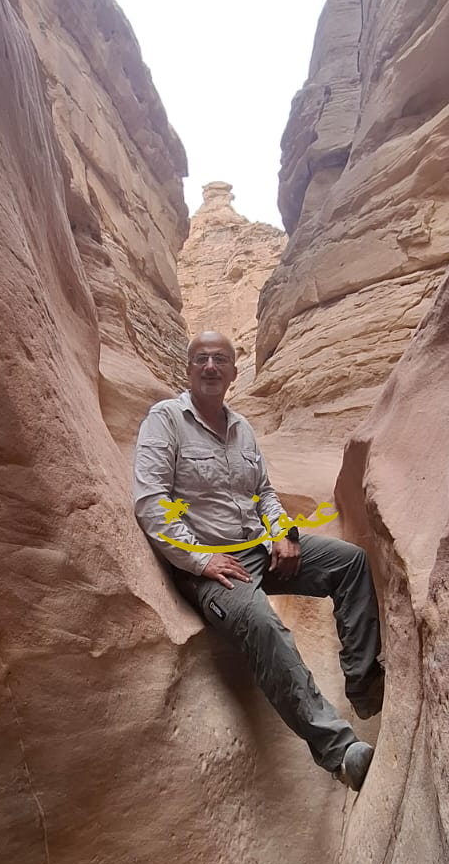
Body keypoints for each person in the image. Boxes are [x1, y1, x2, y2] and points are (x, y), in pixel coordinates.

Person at [133, 331, 384, 792]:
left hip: (257, 548)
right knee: (264, 625)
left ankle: (364, 684)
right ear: (188, 369)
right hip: (208, 565)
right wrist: (201, 560)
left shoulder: (241, 428)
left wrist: (283, 533)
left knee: (349, 562)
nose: (211, 367)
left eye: (220, 359)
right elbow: (152, 502)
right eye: (201, 359)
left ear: (233, 371)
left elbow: (263, 493)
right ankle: (339, 752)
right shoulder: (165, 420)